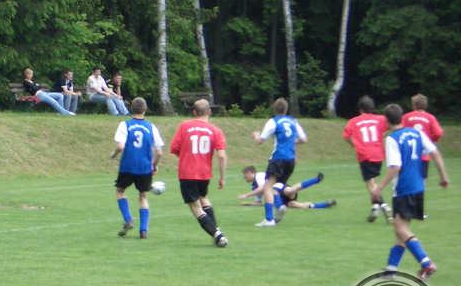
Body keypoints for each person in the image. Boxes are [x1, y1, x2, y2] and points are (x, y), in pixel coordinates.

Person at [371, 104, 449, 280]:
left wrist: (379, 188)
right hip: (418, 186)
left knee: (400, 229)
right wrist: (443, 176)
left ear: (386, 120)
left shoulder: (392, 139)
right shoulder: (417, 133)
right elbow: (435, 153)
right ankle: (391, 270)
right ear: (402, 118)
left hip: (403, 188)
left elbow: (395, 167)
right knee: (401, 231)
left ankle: (427, 263)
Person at [170, 99, 228, 247]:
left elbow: (175, 149)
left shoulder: (184, 126)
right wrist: (222, 177)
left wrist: (186, 157)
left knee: (196, 207)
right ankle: (216, 231)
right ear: (209, 112)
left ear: (194, 112)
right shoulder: (215, 130)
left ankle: (218, 235)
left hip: (187, 173)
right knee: (203, 198)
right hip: (204, 173)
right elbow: (222, 156)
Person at [111, 97, 164, 239]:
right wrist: (154, 165)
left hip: (127, 166)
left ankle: (128, 219)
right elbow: (159, 152)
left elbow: (120, 146)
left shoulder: (125, 125)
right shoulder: (151, 127)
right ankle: (143, 230)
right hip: (145, 167)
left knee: (120, 190)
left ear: (131, 109)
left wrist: (114, 155)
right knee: (143, 195)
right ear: (145, 110)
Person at [251, 97, 307, 227]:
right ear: (286, 109)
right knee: (276, 186)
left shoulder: (273, 121)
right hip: (291, 160)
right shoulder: (293, 121)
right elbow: (304, 139)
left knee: (267, 187)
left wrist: (255, 135)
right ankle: (279, 205)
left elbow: (260, 141)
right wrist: (291, 142)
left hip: (278, 159)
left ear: (274, 109)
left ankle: (269, 219)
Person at [343, 95, 392, 223]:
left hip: (364, 154)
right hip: (378, 154)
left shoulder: (354, 121)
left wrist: (354, 145)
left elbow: (346, 136)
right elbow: (391, 125)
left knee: (370, 183)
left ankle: (384, 206)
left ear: (360, 109)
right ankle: (374, 209)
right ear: (372, 108)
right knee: (372, 181)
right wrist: (382, 135)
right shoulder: (380, 119)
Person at [239, 166, 336, 223]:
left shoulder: (259, 176)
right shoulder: (254, 186)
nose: (244, 177)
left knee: (289, 190)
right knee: (299, 205)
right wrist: (248, 204)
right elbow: (259, 202)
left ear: (250, 173)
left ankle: (316, 180)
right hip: (281, 199)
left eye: (245, 175)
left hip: (280, 188)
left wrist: (246, 195)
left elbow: (263, 188)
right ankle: (325, 205)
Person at [402, 94, 444, 180]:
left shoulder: (406, 117)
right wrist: (431, 141)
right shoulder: (430, 118)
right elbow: (438, 133)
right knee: (421, 180)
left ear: (413, 105)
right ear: (425, 105)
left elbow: (400, 131)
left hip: (408, 153)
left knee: (406, 178)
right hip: (423, 155)